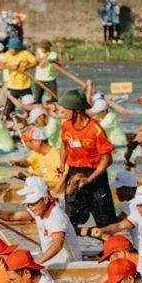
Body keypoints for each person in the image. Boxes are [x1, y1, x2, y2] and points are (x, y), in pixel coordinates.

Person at [56, 88, 116, 226]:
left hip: (95, 175)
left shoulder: (95, 129)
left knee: (105, 220)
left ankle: (110, 246)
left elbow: (107, 159)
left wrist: (89, 179)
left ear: (76, 110)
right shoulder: (66, 126)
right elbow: (64, 145)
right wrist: (61, 165)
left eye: (66, 109)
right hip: (74, 172)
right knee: (71, 219)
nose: (62, 112)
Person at [0, 177, 74, 266]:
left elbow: (57, 245)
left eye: (33, 203)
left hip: (67, 263)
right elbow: (13, 216)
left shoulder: (56, 216)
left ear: (45, 199)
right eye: (29, 204)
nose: (31, 207)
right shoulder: (39, 210)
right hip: (51, 261)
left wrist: (35, 263)